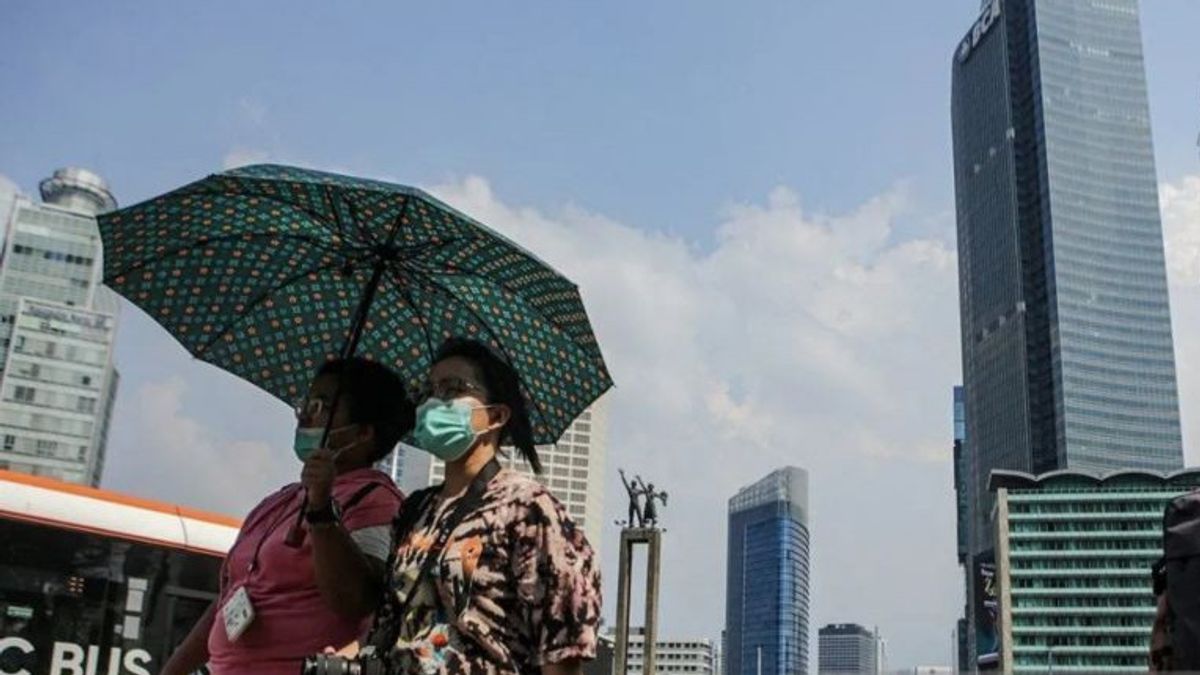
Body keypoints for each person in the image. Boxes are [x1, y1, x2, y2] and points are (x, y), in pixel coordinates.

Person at [161, 357, 414, 675]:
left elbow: (356, 601)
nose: (305, 414)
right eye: (306, 402)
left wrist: (322, 510)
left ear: (362, 433)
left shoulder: (374, 500)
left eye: (321, 406)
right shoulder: (277, 502)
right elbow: (228, 601)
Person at [364, 337, 601, 675]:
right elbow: (391, 620)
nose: (434, 402)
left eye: (453, 388)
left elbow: (562, 647)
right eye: (428, 390)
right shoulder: (415, 510)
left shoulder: (528, 508)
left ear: (496, 416)